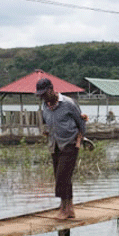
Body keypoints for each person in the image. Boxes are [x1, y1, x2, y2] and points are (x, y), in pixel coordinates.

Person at [35, 77, 86, 219]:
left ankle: (65, 209)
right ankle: (68, 208)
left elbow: (81, 123)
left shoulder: (68, 104)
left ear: (51, 90)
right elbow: (47, 123)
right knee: (63, 177)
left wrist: (78, 141)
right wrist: (46, 131)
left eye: (44, 94)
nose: (43, 97)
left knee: (62, 176)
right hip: (55, 145)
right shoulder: (45, 106)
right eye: (40, 95)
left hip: (70, 143)